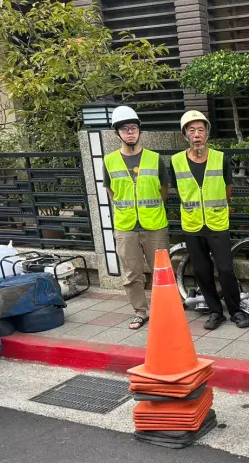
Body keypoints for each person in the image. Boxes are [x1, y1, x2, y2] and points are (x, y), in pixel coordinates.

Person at [169, 110, 249, 330]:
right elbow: (177, 190)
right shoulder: (176, 161)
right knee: (202, 271)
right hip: (193, 225)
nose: (197, 135)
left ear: (207, 134)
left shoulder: (220, 158)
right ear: (185, 134)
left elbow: (228, 189)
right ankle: (215, 312)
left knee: (225, 269)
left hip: (217, 223)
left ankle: (236, 311)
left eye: (201, 130)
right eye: (192, 130)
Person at [103, 105, 170, 330]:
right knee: (132, 273)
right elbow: (111, 191)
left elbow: (164, 189)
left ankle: (165, 311)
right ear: (117, 133)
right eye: (124, 129)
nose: (130, 132)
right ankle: (140, 312)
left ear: (140, 131)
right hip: (125, 226)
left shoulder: (155, 158)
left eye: (133, 128)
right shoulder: (109, 161)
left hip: (155, 225)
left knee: (161, 272)